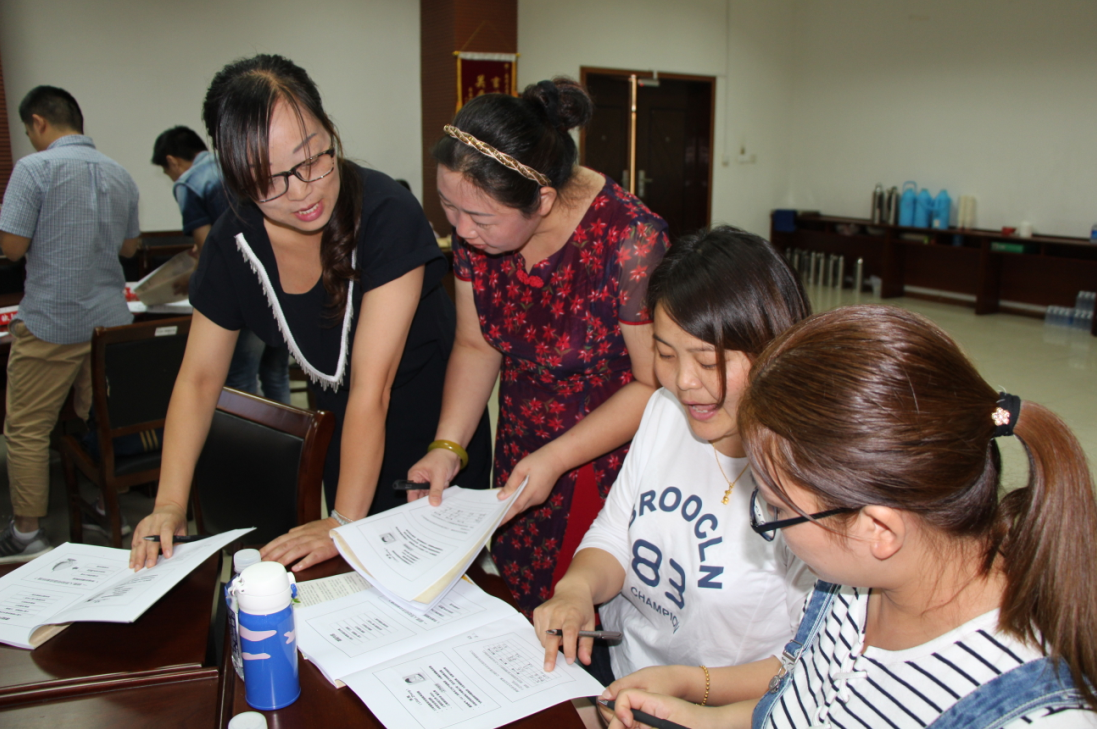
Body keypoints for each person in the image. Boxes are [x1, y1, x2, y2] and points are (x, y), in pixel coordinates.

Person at [602, 305, 1097, 729]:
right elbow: (808, 704)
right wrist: (705, 720)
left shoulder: (1033, 715)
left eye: (777, 510)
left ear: (878, 529)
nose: (767, 521)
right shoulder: (855, 585)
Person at [130, 54, 490, 572]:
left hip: (430, 434)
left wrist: (343, 520)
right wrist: (169, 501)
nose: (302, 192)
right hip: (348, 434)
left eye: (312, 159)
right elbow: (199, 379)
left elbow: (373, 387)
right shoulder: (234, 242)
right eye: (267, 180)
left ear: (330, 131)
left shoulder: (386, 214)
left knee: (430, 584)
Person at [406, 78, 668, 613]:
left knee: (579, 614)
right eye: (447, 207)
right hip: (522, 451)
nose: (460, 229)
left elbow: (653, 384)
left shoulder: (630, 240)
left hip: (602, 461)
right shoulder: (478, 231)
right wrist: (447, 446)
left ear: (542, 199)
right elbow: (476, 346)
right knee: (518, 605)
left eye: (478, 218)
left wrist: (557, 458)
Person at [533, 227, 815, 690]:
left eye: (707, 362)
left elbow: (807, 661)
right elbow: (615, 534)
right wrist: (575, 590)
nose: (683, 382)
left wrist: (686, 687)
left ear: (774, 350)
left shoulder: (811, 478)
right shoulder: (667, 411)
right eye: (665, 354)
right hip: (623, 670)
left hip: (717, 705)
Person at [0, 85, 141, 562]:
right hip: (108, 325)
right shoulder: (120, 173)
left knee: (27, 428)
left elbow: (12, 249)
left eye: (28, 131)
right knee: (103, 419)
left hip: (52, 322)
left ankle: (26, 534)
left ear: (39, 122)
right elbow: (129, 248)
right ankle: (108, 504)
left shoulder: (33, 169)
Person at [151, 125, 291, 404]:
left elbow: (207, 250)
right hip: (282, 280)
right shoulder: (238, 165)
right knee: (276, 373)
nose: (172, 177)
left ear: (172, 161)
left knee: (241, 378)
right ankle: (294, 433)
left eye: (167, 172)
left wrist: (186, 280)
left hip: (242, 290)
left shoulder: (189, 183)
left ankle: (252, 435)